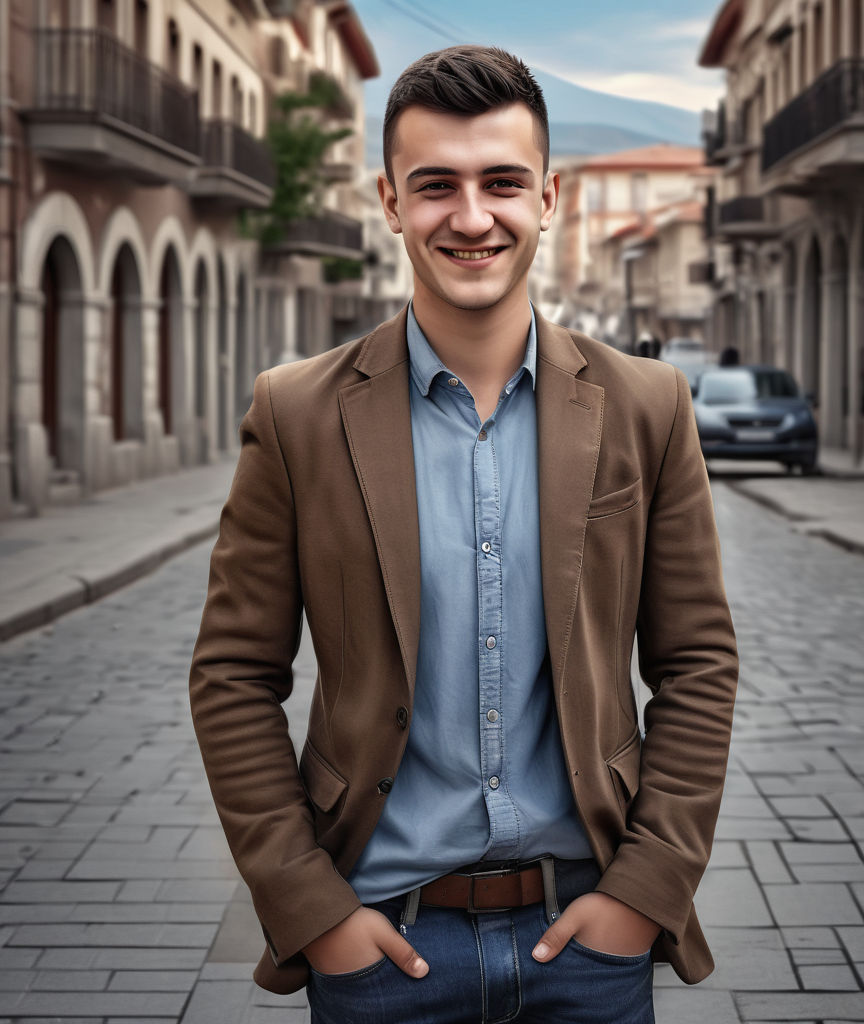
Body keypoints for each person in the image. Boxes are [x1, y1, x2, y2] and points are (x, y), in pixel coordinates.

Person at [189, 45, 738, 1024]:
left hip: (589, 945)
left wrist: (643, 894)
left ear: (549, 197)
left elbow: (696, 661)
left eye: (502, 182)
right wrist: (315, 912)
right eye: (435, 185)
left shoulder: (647, 405)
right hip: (378, 946)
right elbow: (232, 673)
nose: (472, 216)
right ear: (391, 202)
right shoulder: (297, 414)